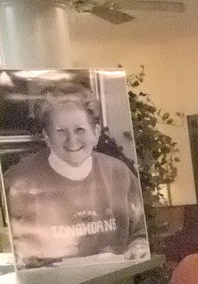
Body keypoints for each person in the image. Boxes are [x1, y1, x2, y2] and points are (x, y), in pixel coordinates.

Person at [4, 82, 148, 268]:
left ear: (96, 133)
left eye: (80, 130)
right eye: (61, 131)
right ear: (46, 136)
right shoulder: (16, 181)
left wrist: (139, 246)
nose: (72, 140)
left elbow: (140, 232)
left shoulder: (119, 173)